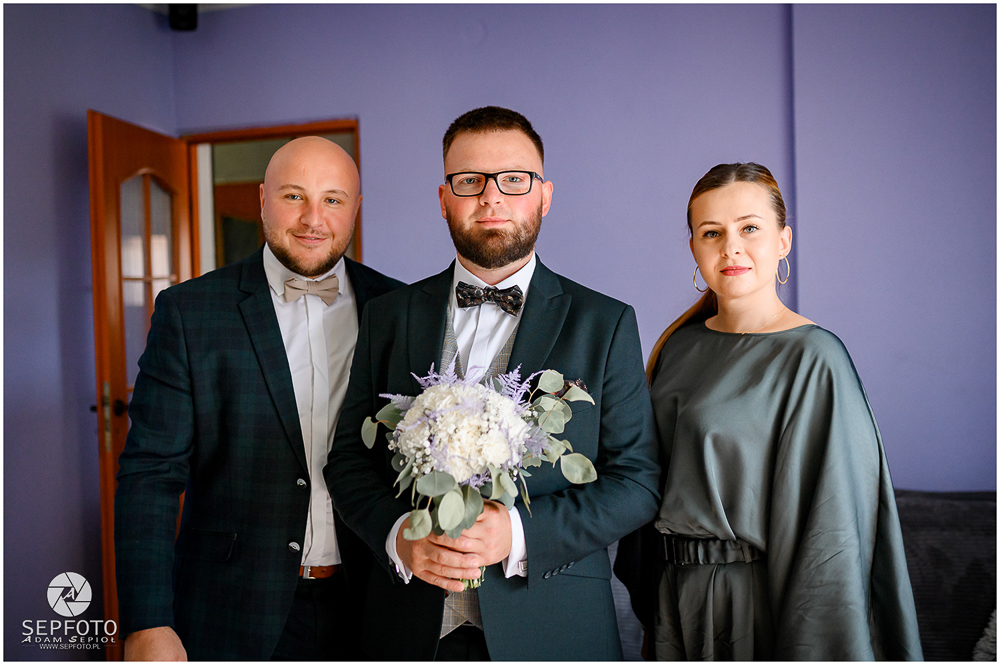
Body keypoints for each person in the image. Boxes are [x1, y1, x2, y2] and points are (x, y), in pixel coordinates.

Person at [325, 106, 661, 660]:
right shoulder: (389, 316)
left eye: (514, 180)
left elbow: (637, 482)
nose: (491, 197)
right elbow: (347, 460)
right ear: (444, 198)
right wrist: (398, 535)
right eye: (469, 181)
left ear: (544, 196)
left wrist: (519, 534)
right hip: (408, 629)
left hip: (553, 629)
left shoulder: (604, 323)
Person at [614, 162, 923, 660]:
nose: (730, 247)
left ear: (783, 240)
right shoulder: (677, 347)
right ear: (693, 247)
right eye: (711, 232)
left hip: (754, 607)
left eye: (750, 228)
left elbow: (833, 531)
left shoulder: (815, 358)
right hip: (673, 599)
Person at [114, 137, 403, 660]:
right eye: (294, 196)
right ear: (263, 199)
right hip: (229, 605)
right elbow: (150, 474)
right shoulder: (189, 312)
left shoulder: (399, 308)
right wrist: (146, 621)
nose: (313, 219)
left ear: (355, 208)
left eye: (333, 199)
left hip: (372, 601)